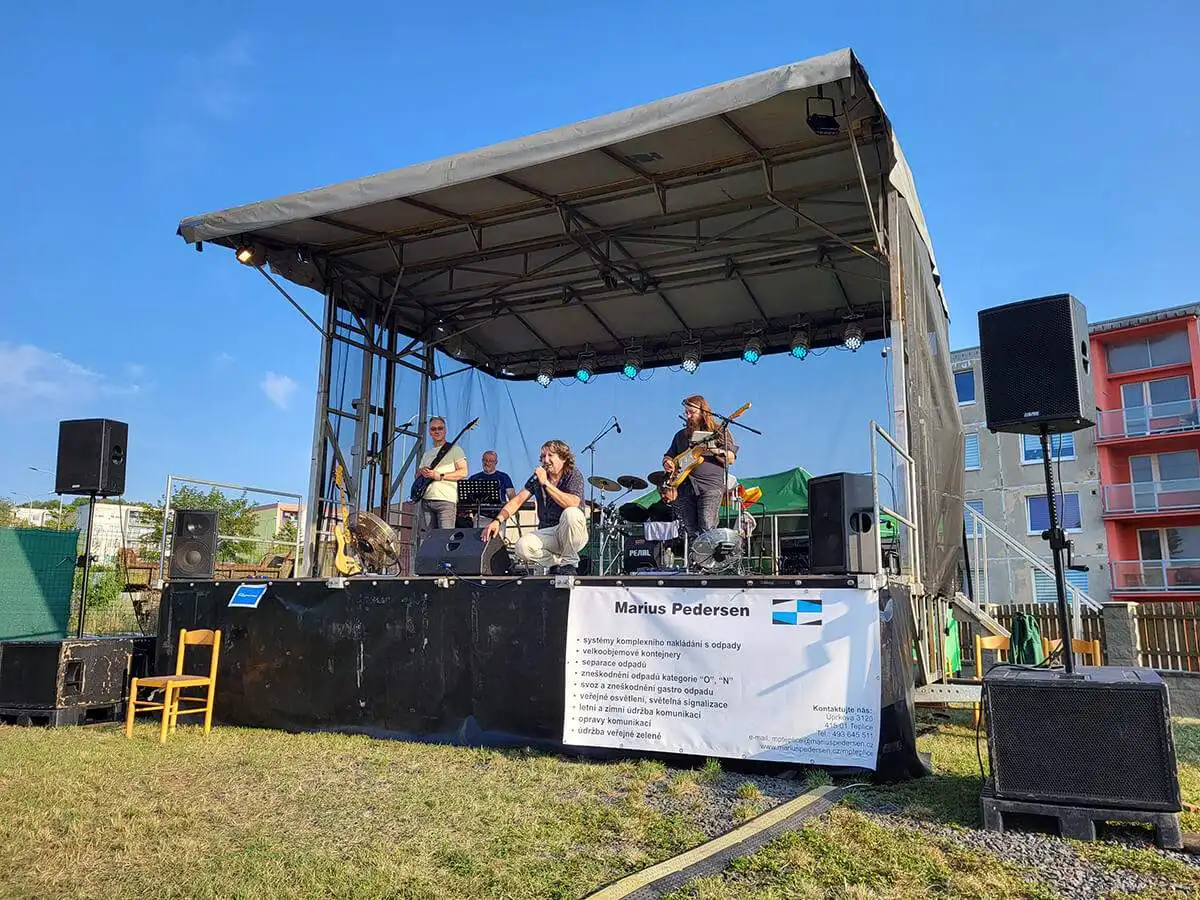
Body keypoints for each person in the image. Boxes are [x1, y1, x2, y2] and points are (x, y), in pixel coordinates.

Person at [482, 439, 588, 575]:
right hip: (549, 533)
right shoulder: (538, 478)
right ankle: (555, 564)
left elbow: (572, 503)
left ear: (563, 458)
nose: (545, 460)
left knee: (571, 513)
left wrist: (546, 483)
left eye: (550, 455)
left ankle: (569, 564)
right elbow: (517, 501)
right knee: (522, 547)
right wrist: (497, 521)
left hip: (572, 532)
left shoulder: (573, 474)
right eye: (543, 456)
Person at [661, 395, 738, 537]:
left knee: (707, 526)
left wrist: (714, 449)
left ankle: (709, 552)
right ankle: (695, 552)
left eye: (692, 412)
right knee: (691, 529)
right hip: (685, 486)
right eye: (686, 412)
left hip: (710, 485)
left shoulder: (719, 431)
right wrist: (667, 462)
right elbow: (669, 455)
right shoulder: (680, 435)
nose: (688, 416)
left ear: (703, 411)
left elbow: (731, 458)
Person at [415, 416, 468, 530]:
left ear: (445, 430)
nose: (437, 431)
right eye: (433, 429)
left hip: (446, 500)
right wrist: (422, 471)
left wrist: (440, 476)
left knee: (444, 537)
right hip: (426, 500)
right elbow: (417, 476)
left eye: (440, 428)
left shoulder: (455, 449)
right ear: (430, 432)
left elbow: (463, 472)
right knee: (429, 537)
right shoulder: (427, 454)